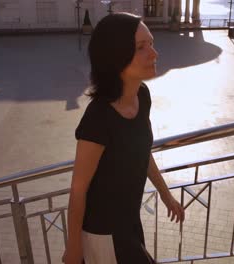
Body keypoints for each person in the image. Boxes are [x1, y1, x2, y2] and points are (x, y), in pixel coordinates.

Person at [63, 13, 185, 264]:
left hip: (129, 222)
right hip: (103, 233)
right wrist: (74, 249)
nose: (154, 53)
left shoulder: (143, 95)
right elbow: (78, 189)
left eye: (151, 43)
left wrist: (166, 195)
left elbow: (141, 151)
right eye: (141, 47)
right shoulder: (99, 116)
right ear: (115, 57)